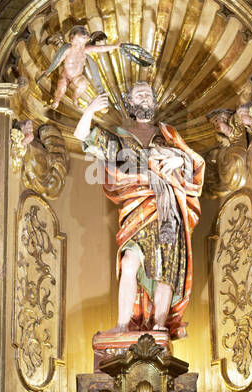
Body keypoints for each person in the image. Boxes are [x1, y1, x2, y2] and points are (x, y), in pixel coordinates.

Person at [74, 82, 204, 338]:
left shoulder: (168, 135)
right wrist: (89, 110)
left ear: (154, 103)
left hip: (169, 209)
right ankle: (123, 324)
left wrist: (180, 159)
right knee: (130, 261)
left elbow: (195, 165)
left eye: (149, 94)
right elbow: (82, 135)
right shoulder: (120, 137)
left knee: (166, 269)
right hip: (137, 207)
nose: (146, 97)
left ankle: (159, 326)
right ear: (131, 104)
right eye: (139, 94)